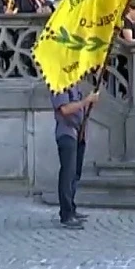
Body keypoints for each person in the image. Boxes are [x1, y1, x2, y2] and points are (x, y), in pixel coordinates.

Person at [50, 84, 99, 229]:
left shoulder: (75, 85)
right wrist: (86, 101)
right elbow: (65, 109)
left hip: (79, 133)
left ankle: (71, 208)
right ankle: (66, 214)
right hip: (67, 133)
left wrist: (89, 102)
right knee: (68, 173)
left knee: (75, 173)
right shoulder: (59, 84)